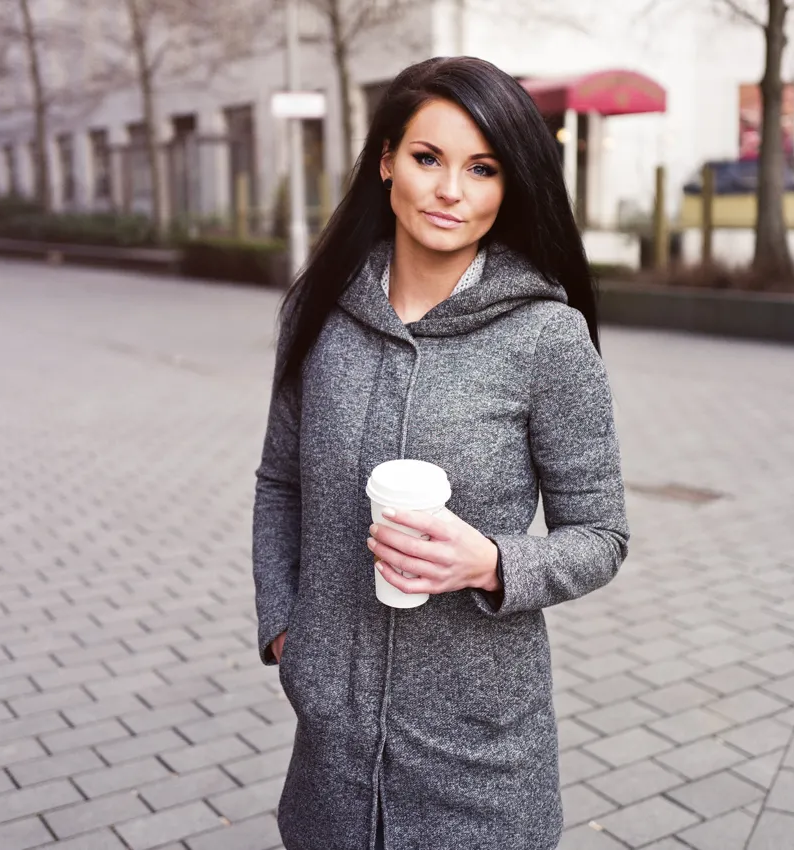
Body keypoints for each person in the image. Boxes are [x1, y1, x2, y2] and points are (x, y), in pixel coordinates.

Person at [252, 56, 630, 850]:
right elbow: (279, 482)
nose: (451, 190)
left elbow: (602, 536)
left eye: (482, 168)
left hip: (481, 753)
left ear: (509, 185)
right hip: (333, 747)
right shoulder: (318, 313)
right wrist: (289, 630)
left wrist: (492, 562)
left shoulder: (546, 339)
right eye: (428, 158)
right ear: (386, 160)